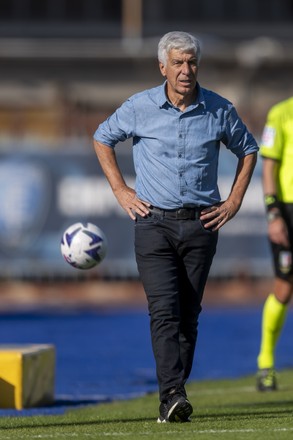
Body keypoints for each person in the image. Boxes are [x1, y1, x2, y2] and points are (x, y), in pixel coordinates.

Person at [93, 31, 258, 422]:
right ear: (162, 67)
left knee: (188, 314)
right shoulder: (139, 106)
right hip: (153, 224)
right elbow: (102, 138)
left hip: (202, 223)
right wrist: (121, 190)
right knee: (163, 311)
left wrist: (233, 201)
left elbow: (248, 150)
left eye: (192, 62)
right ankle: (172, 394)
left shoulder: (219, 109)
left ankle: (172, 392)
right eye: (179, 63)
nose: (186, 70)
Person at [256, 96, 293, 391]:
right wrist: (273, 213)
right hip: (288, 212)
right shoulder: (281, 112)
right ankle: (265, 363)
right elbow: (268, 167)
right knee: (284, 286)